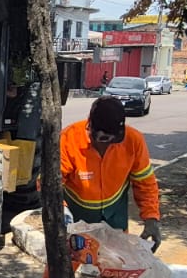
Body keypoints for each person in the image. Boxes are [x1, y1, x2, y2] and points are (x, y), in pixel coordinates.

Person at [60, 95, 162, 248]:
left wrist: (151, 218)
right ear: (90, 125)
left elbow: (145, 183)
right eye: (101, 139)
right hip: (76, 220)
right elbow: (49, 183)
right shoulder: (69, 139)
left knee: (117, 266)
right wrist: (60, 208)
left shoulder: (133, 141)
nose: (105, 146)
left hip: (115, 220)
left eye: (111, 140)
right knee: (63, 266)